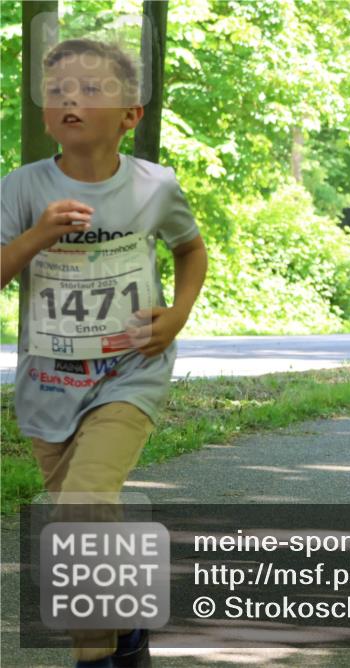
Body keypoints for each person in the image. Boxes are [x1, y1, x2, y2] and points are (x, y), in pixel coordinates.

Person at [0, 39, 207, 667]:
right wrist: (39, 235)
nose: (71, 98)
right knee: (87, 521)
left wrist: (175, 316)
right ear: (44, 110)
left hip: (130, 372)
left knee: (81, 509)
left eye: (91, 89)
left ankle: (96, 658)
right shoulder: (21, 187)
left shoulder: (154, 186)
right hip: (48, 383)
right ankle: (132, 623)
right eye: (59, 88)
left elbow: (191, 250)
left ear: (131, 115)